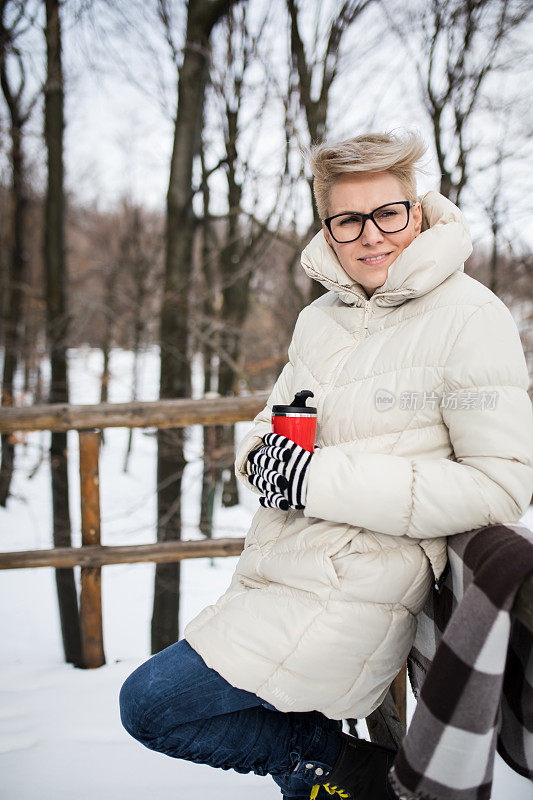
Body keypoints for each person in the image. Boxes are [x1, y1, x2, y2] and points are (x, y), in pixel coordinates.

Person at [119, 131, 533, 800]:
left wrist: (311, 479)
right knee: (302, 783)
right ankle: (324, 771)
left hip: (354, 589)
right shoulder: (320, 319)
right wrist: (269, 458)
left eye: (388, 213)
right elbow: (271, 426)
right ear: (328, 230)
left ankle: (349, 767)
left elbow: (499, 487)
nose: (372, 236)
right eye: (348, 219)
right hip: (275, 571)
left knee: (152, 704)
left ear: (417, 212)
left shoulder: (469, 318)